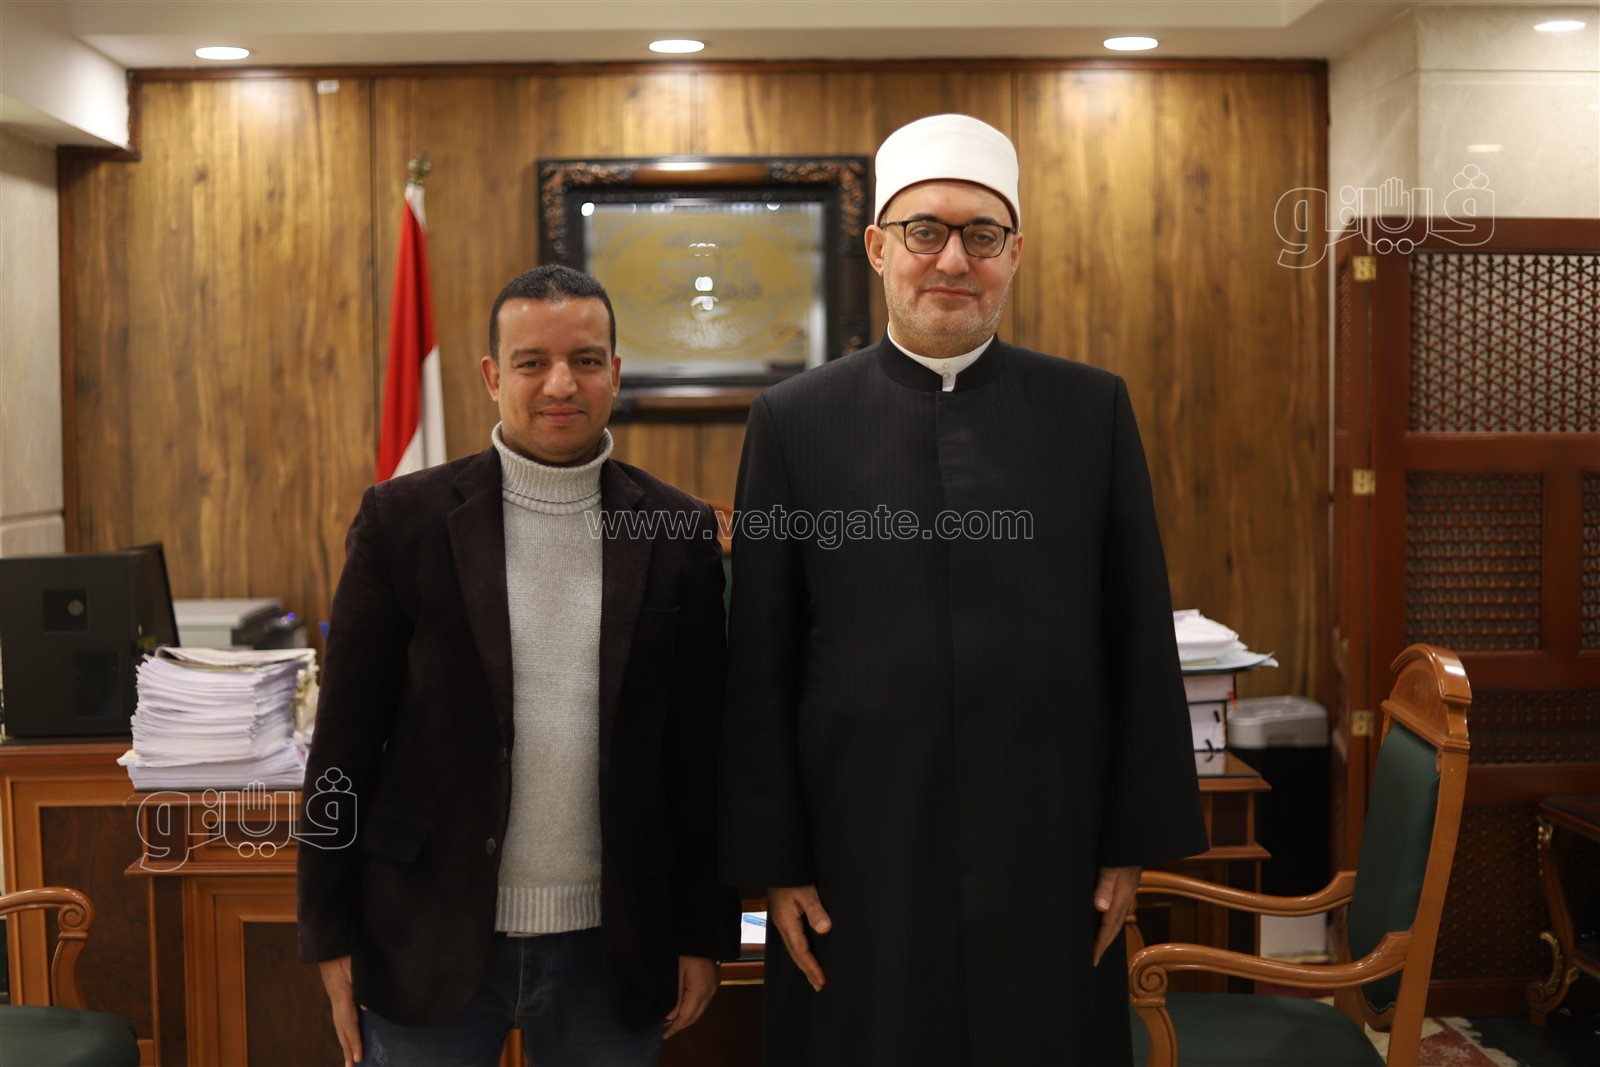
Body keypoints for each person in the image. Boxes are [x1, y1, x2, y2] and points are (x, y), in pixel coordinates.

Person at [719, 115, 1208, 1066]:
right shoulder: (793, 419)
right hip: (859, 851)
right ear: (878, 248)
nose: (953, 260)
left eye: (981, 235)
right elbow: (760, 661)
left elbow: (1137, 633)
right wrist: (776, 864)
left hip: (1050, 842)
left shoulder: (1091, 409)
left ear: (1014, 253)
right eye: (925, 232)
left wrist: (1127, 844)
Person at [298, 265, 737, 1067]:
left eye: (586, 360)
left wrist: (703, 931)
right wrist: (327, 931)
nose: (561, 384)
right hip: (426, 935)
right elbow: (342, 749)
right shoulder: (402, 522)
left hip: (613, 949)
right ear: (493, 376)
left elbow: (699, 756)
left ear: (615, 372)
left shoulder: (678, 531)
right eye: (533, 361)